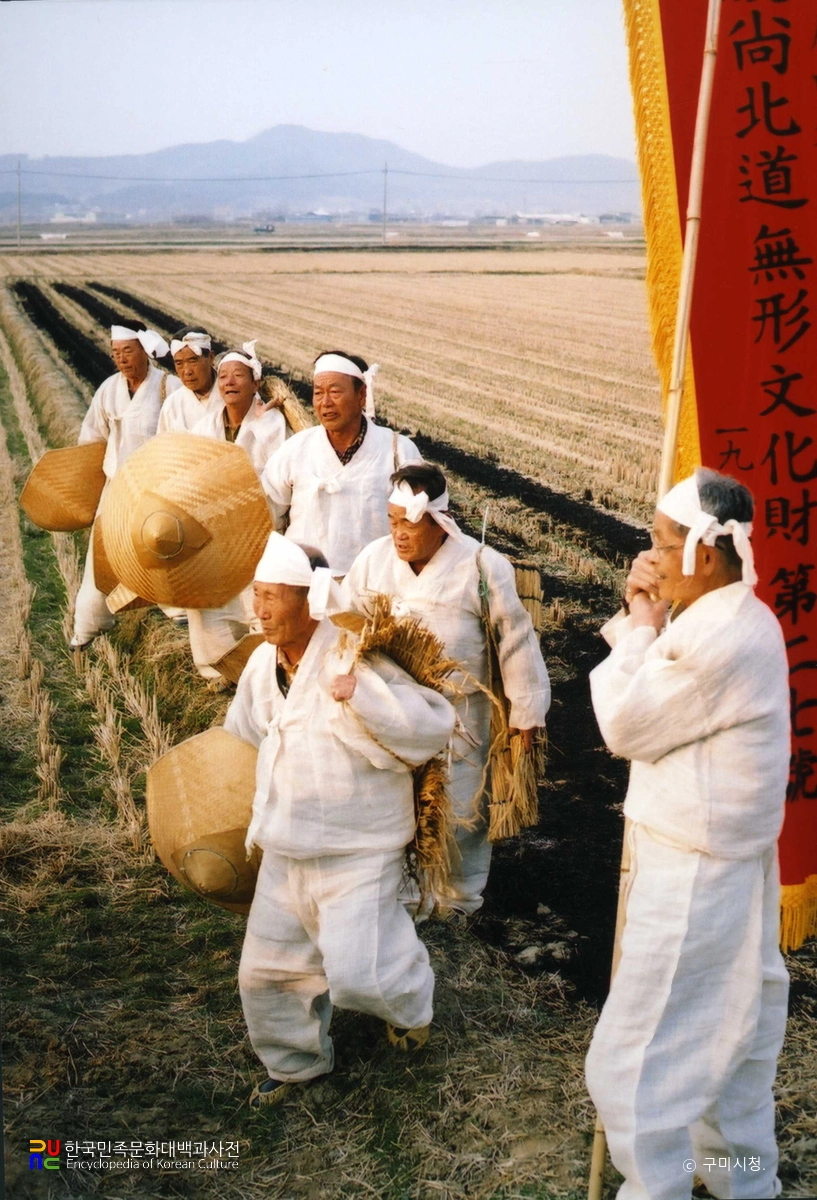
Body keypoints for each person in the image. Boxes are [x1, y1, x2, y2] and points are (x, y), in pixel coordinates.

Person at [586, 468, 790, 1200]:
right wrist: (647, 615)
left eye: (660, 542)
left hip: (695, 873)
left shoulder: (720, 637)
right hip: (716, 859)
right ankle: (744, 1182)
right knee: (730, 1040)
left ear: (704, 552)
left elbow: (626, 722)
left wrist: (640, 624)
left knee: (639, 1061)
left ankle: (657, 1188)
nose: (648, 555)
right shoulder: (725, 618)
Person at [223, 532, 456, 1106]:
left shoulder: (353, 655)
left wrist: (362, 698)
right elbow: (243, 737)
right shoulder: (261, 663)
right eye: (257, 594)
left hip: (359, 847)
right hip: (286, 846)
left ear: (310, 600)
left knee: (361, 972)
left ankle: (410, 1005)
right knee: (265, 973)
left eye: (273, 596)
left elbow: (430, 726)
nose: (261, 609)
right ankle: (295, 1065)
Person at [343, 462, 550, 916]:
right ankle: (404, 898)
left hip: (462, 715)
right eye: (393, 521)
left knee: (462, 807)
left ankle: (460, 901)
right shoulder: (373, 561)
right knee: (397, 805)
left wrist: (526, 714)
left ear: (438, 521)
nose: (398, 534)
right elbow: (345, 624)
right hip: (391, 714)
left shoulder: (481, 565)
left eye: (410, 524)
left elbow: (514, 640)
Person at [261, 350, 422, 576]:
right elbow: (266, 513)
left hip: (373, 589)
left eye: (335, 392)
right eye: (318, 393)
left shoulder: (398, 451)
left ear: (361, 395)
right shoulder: (295, 449)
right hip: (304, 587)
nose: (325, 402)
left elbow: (420, 523)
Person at [70, 323, 180, 650]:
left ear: (145, 351)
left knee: (163, 549)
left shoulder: (168, 387)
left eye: (127, 351)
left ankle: (174, 609)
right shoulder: (108, 389)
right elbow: (92, 437)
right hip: (116, 486)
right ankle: (87, 626)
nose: (121, 359)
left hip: (157, 489)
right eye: (116, 353)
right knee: (102, 554)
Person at [185, 342, 287, 683]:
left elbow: (282, 484)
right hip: (213, 533)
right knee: (210, 605)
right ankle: (217, 674)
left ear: (255, 383)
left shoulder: (272, 427)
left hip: (260, 532)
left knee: (257, 607)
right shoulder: (204, 429)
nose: (229, 381)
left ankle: (266, 678)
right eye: (223, 375)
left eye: (238, 375)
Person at [157, 327, 219, 433]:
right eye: (179, 363)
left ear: (210, 357)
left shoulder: (231, 395)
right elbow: (163, 447)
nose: (187, 371)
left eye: (193, 361)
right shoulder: (172, 405)